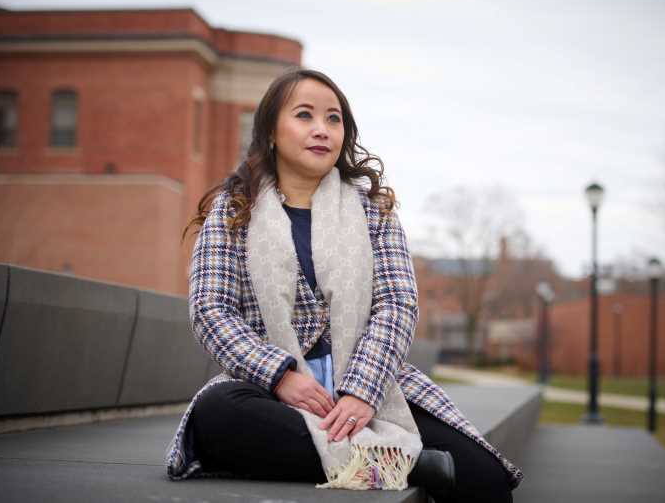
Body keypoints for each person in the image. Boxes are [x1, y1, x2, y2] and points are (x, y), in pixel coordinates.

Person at [165, 68, 522, 502]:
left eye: (334, 119)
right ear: (271, 133)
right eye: (304, 116)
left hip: (368, 380)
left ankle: (366, 456)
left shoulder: (373, 210)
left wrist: (361, 391)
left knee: (486, 479)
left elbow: (397, 303)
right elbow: (210, 309)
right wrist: (281, 377)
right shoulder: (233, 210)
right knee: (217, 415)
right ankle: (399, 464)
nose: (322, 130)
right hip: (271, 393)